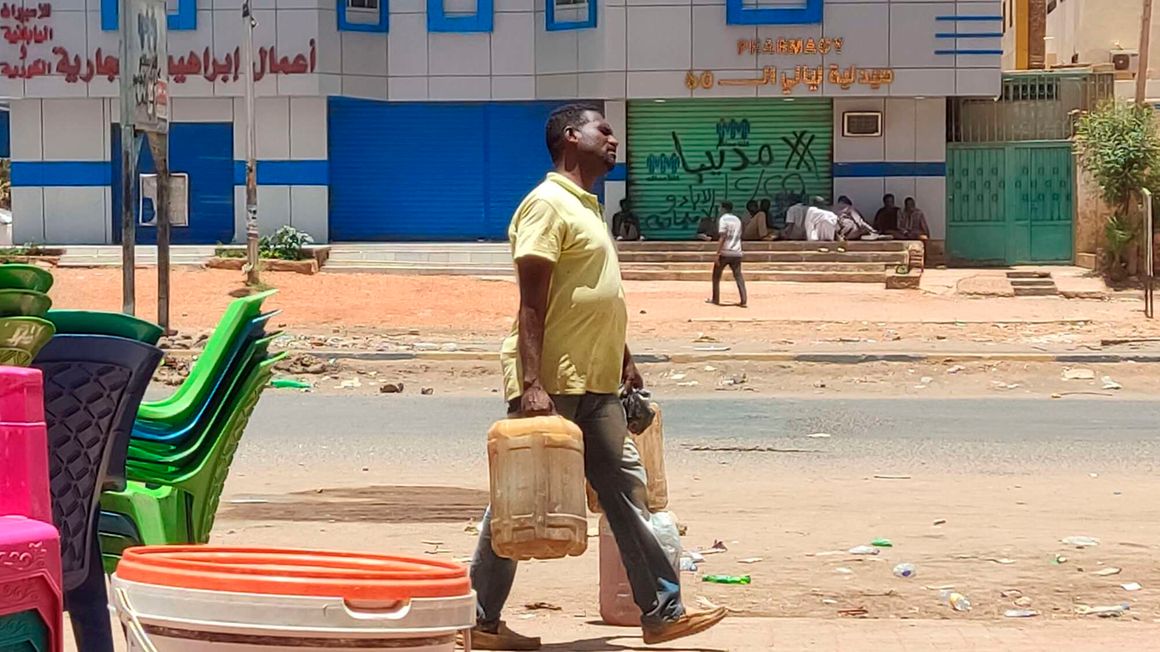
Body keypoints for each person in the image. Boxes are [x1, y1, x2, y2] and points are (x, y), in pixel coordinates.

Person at [468, 103, 727, 650]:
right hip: (554, 384)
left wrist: (625, 356)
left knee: (626, 492)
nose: (613, 139)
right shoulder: (546, 205)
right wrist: (531, 383)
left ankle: (661, 610)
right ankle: (480, 621)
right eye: (603, 129)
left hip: (599, 381)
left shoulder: (588, 207)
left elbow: (593, 297)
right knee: (520, 500)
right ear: (570, 137)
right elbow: (532, 304)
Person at [709, 201, 747, 307]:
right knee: (738, 276)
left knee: (716, 275)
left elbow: (723, 236)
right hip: (737, 252)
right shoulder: (737, 220)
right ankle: (743, 300)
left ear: (723, 209)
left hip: (725, 252)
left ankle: (715, 299)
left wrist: (717, 254)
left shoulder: (723, 219)